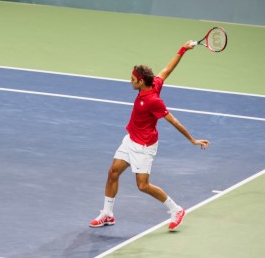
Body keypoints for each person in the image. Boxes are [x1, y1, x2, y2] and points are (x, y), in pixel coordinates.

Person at [89, 41, 210, 230]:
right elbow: (167, 70)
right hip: (131, 139)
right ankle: (107, 214)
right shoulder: (154, 83)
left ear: (141, 81)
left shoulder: (154, 101)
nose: (130, 81)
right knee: (113, 172)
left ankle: (176, 210)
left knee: (143, 186)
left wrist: (192, 140)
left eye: (132, 79)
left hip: (144, 146)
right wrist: (183, 49)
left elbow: (174, 121)